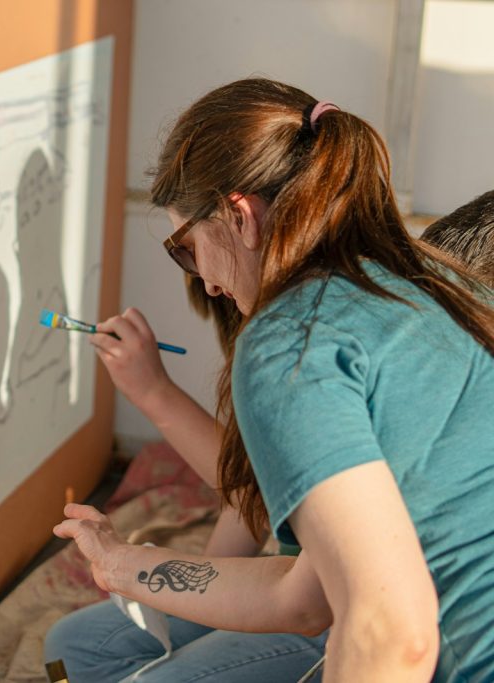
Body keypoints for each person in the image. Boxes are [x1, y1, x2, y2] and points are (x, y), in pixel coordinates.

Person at [47, 78, 494, 682]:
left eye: (186, 247)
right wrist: (122, 566)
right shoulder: (432, 280)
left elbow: (389, 634)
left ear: (240, 217)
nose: (203, 281)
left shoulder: (294, 340)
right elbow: (306, 592)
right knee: (80, 647)